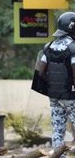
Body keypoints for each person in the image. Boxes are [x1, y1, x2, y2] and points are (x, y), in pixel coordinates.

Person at [37, 12, 75, 153]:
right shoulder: (73, 47)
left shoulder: (49, 46)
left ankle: (59, 156)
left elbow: (40, 72)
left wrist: (53, 84)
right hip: (71, 95)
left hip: (54, 96)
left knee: (58, 130)